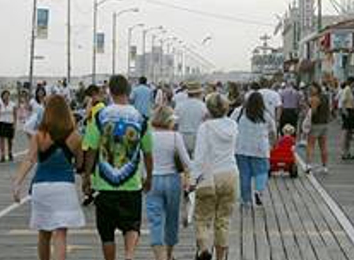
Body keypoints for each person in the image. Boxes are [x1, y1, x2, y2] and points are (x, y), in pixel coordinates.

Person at [82, 75, 154, 260]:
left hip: (104, 185)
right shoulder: (140, 118)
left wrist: (86, 176)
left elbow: (91, 149)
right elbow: (147, 152)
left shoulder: (101, 116)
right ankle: (129, 255)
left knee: (106, 233)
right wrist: (149, 177)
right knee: (132, 225)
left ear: (110, 91)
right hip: (131, 184)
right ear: (129, 92)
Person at [13, 95, 85, 260]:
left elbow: (29, 159)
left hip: (41, 187)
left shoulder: (40, 135)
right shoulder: (75, 136)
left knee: (44, 233)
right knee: (60, 234)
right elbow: (80, 164)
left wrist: (17, 183)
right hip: (64, 188)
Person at [191, 93, 238, 260]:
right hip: (230, 174)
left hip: (209, 176)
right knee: (223, 220)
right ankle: (220, 257)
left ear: (208, 109)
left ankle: (203, 249)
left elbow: (200, 156)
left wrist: (193, 180)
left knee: (202, 217)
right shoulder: (233, 125)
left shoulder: (205, 127)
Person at [146, 106, 191, 260]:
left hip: (152, 180)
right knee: (172, 219)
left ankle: (160, 257)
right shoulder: (175, 136)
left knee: (155, 221)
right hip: (172, 180)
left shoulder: (148, 136)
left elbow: (140, 160)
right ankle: (170, 254)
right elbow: (186, 162)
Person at [231, 91, 275, 206]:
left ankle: (246, 200)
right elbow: (272, 131)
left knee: (244, 174)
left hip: (241, 148)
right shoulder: (266, 114)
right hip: (260, 149)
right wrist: (273, 143)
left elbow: (230, 125)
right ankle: (258, 191)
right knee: (261, 171)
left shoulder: (239, 112)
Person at [174, 81, 207, 156]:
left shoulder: (179, 106)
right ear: (199, 93)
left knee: (183, 162)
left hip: (182, 135)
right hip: (197, 136)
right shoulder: (203, 106)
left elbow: (174, 123)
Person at [305, 83, 330, 174]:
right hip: (324, 124)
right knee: (323, 146)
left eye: (311, 89)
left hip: (315, 124)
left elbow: (313, 112)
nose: (310, 90)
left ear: (316, 89)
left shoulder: (315, 99)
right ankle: (325, 166)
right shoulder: (325, 97)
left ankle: (308, 165)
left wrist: (308, 106)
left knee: (310, 145)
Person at [339, 77, 354, 161]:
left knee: (349, 133)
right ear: (352, 82)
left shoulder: (350, 90)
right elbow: (343, 101)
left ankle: (347, 152)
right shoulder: (347, 89)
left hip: (350, 111)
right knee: (345, 132)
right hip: (348, 111)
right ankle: (344, 152)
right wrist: (344, 111)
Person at [0, 90, 17, 163]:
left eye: (7, 95)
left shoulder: (13, 104)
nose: (6, 96)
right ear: (2, 96)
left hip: (10, 122)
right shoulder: (0, 104)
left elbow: (15, 115)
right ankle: (2, 154)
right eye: (5, 95)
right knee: (1, 139)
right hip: (2, 122)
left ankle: (10, 152)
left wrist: (14, 124)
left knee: (10, 140)